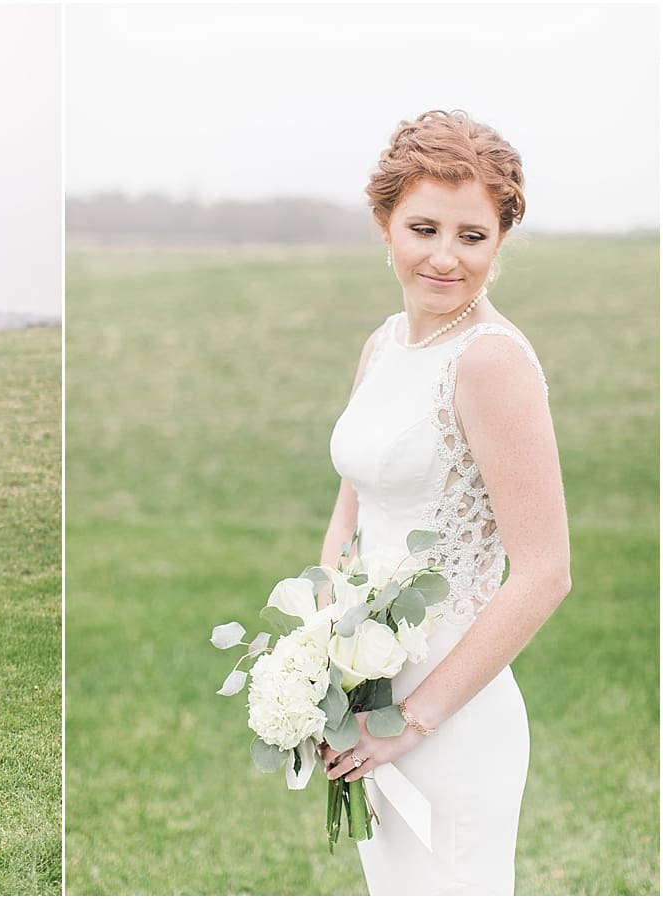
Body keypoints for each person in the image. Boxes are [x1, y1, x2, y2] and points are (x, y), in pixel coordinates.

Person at [318, 111, 570, 894]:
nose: (445, 256)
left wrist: (411, 720)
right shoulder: (385, 343)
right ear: (385, 223)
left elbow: (544, 572)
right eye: (424, 227)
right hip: (366, 691)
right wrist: (321, 649)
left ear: (501, 240)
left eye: (473, 235)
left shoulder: (491, 363)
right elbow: (350, 508)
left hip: (451, 711)